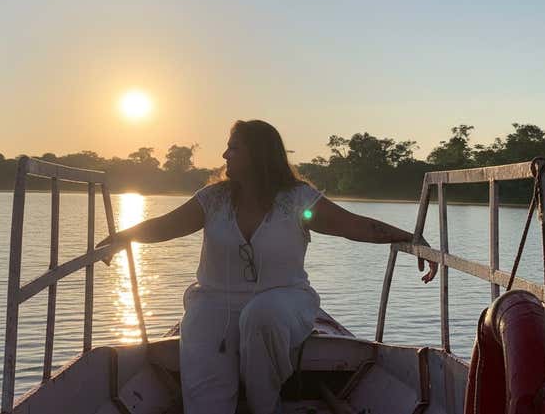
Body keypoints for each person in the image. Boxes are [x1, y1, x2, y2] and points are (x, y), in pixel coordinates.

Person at [97, 119, 437, 414]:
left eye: (233, 148)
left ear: (258, 154)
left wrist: (413, 239)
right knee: (203, 329)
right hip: (214, 299)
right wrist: (120, 236)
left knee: (262, 314)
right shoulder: (213, 199)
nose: (225, 155)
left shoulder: (297, 199)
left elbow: (355, 226)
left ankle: (265, 407)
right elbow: (166, 225)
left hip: (286, 299)